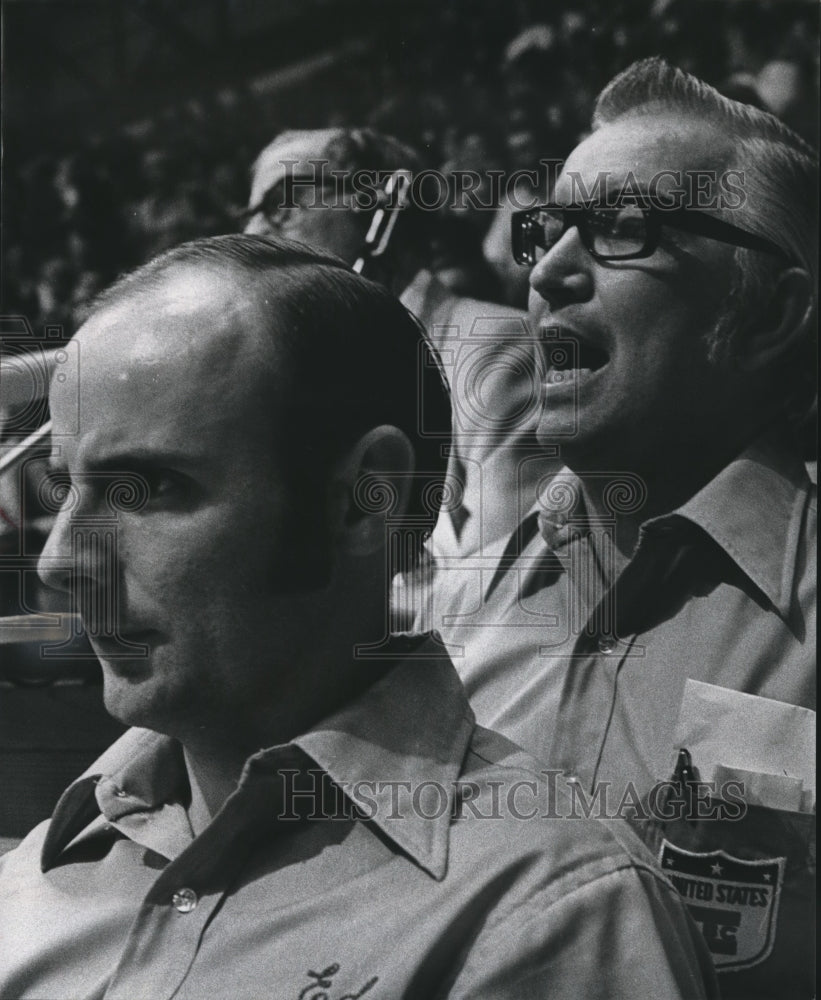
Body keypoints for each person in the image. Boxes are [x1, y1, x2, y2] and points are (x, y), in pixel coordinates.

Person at [0, 235, 716, 999]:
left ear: (360, 499)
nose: (60, 561)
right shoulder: (39, 873)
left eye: (148, 489)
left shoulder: (547, 917)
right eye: (62, 489)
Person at [428, 58, 817, 1000]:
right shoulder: (456, 605)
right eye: (547, 230)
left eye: (623, 231)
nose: (551, 272)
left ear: (766, 314)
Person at [244, 128, 555, 567]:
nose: (254, 233)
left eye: (282, 203)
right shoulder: (320, 387)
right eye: (251, 214)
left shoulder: (499, 350)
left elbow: (513, 585)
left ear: (382, 204)